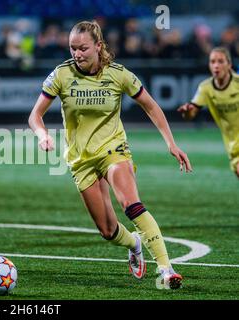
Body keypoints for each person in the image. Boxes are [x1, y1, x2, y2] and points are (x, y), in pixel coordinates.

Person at [29, 20, 192, 289]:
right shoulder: (61, 75)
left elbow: (151, 106)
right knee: (107, 230)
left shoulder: (119, 74)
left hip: (113, 150)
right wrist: (42, 134)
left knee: (131, 203)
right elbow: (35, 116)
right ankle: (134, 243)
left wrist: (171, 143)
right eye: (72, 48)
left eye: (82, 48)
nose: (77, 54)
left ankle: (166, 269)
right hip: (80, 159)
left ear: (98, 46)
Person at [178, 47, 239, 178]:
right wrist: (186, 112)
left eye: (220, 61)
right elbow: (191, 115)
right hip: (232, 145)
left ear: (229, 64)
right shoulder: (206, 87)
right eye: (212, 61)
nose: (216, 65)